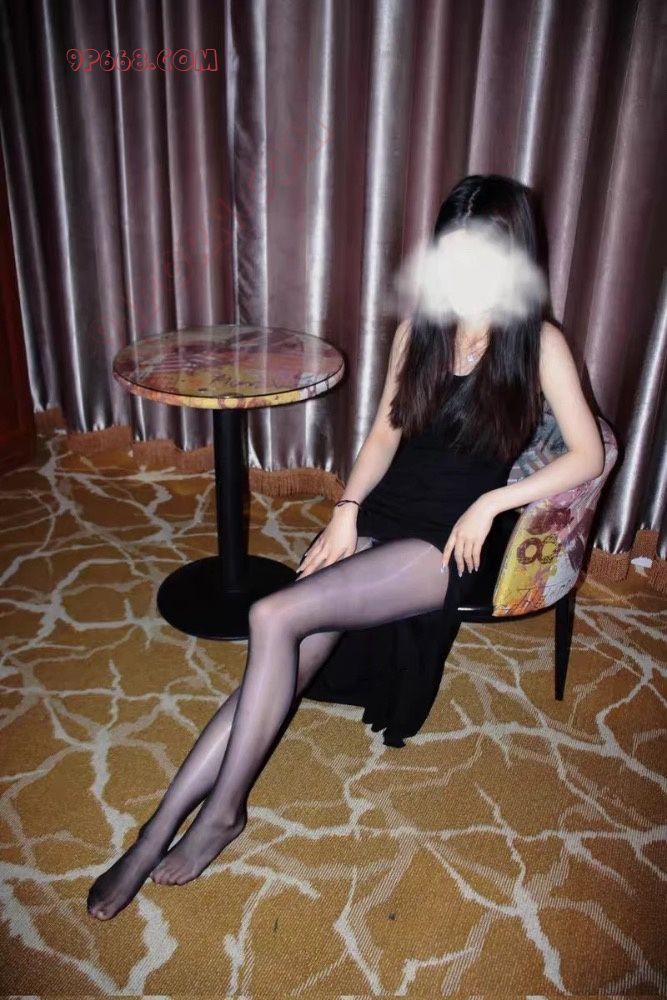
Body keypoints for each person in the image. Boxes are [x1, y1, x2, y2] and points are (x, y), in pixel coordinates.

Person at [87, 174, 605, 920]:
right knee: (285, 649)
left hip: (446, 543)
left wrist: (493, 503)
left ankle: (219, 816)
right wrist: (345, 511)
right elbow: (385, 435)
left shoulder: (539, 344)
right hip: (386, 512)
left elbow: (587, 453)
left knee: (272, 616)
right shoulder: (420, 330)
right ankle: (154, 833)